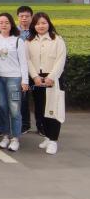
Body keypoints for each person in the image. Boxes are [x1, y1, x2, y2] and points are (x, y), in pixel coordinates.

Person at [26, 12, 67, 155]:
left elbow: (61, 60)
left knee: (53, 110)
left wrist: (52, 77)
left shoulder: (57, 40)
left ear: (49, 24)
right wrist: (34, 76)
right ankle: (47, 137)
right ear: (33, 26)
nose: (41, 26)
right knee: (40, 109)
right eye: (37, 24)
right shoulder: (29, 41)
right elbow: (27, 60)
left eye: (43, 23)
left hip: (53, 79)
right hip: (37, 79)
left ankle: (53, 140)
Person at [0, 13, 29, 152]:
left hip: (14, 78)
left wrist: (25, 81)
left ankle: (15, 138)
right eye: (1, 22)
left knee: (15, 109)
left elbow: (23, 62)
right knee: (2, 108)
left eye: (6, 22)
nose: (3, 25)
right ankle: (6, 135)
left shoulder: (18, 41)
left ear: (11, 24)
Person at [17, 5, 34, 135]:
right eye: (21, 16)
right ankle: (24, 124)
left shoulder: (35, 30)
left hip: (34, 70)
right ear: (18, 17)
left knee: (39, 99)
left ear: (31, 17)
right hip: (19, 70)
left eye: (27, 16)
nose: (24, 18)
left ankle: (41, 125)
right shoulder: (14, 32)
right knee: (22, 99)